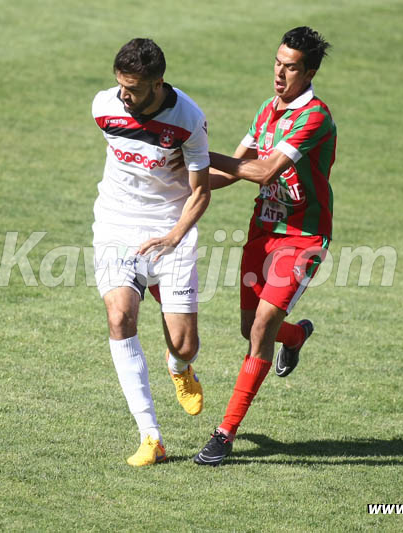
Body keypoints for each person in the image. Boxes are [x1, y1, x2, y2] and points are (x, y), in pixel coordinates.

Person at [193, 27, 336, 466]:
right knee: (251, 327)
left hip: (302, 238)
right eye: (277, 62)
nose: (279, 72)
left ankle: (224, 434)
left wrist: (196, 151)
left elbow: (263, 171)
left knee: (261, 327)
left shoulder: (314, 117)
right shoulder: (266, 110)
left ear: (308, 73)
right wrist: (179, 180)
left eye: (290, 67)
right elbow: (232, 171)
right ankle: (295, 337)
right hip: (263, 232)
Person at [91, 38, 211, 466]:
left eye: (134, 89)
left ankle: (179, 368)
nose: (124, 96)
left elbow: (201, 192)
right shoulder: (104, 107)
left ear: (158, 84)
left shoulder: (189, 119)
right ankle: (150, 436)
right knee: (119, 317)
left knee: (184, 344)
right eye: (121, 85)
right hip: (117, 225)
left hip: (170, 229)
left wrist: (174, 237)